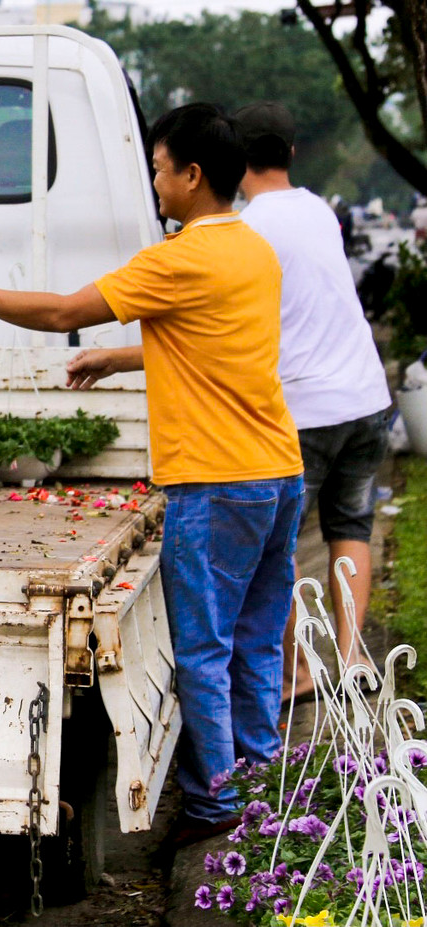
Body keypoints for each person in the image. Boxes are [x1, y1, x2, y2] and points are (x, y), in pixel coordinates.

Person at [0, 103, 304, 843]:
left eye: (159, 168)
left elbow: (62, 311)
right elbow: (215, 344)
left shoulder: (178, 257)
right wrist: (118, 357)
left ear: (192, 175)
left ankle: (218, 806)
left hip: (214, 483)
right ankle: (260, 782)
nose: (154, 182)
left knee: (206, 649)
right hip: (278, 473)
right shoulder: (253, 249)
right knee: (254, 640)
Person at [232, 102, 392, 703]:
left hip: (304, 410)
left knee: (282, 549)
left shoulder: (249, 226)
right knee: (351, 527)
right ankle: (350, 659)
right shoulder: (321, 209)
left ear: (235, 158)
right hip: (366, 397)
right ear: (291, 152)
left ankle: (300, 673)